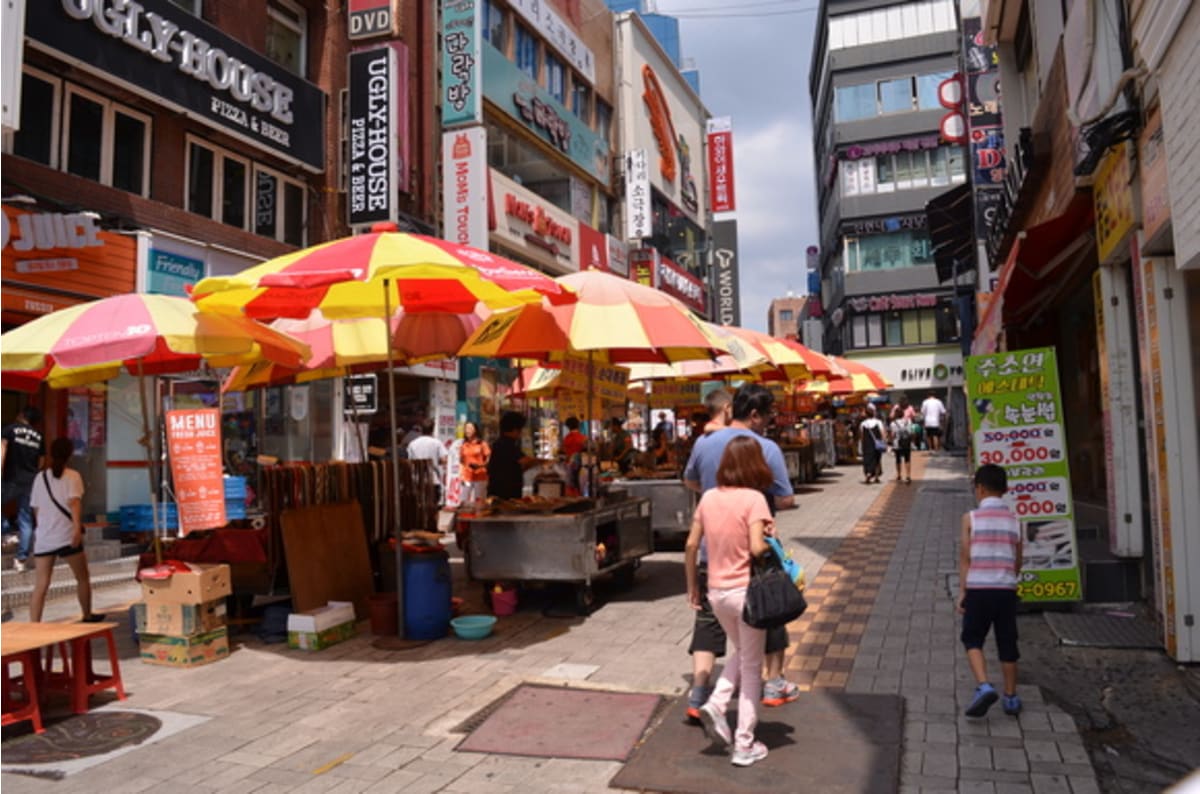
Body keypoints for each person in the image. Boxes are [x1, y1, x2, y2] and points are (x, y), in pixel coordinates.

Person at [683, 384, 798, 721]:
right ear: (754, 415)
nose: (770, 422)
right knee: (769, 610)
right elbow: (787, 498)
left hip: (710, 549)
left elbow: (689, 481)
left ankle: (699, 691)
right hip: (753, 553)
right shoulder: (766, 447)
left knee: (707, 621)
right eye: (769, 416)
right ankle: (773, 683)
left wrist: (713, 495)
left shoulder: (703, 443)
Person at [685, 436, 775, 767]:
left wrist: (692, 586)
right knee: (752, 668)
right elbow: (756, 549)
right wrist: (769, 539)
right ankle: (744, 743)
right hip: (746, 593)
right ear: (755, 465)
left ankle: (716, 703)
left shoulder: (708, 497)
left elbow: (692, 545)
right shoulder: (755, 499)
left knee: (743, 653)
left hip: (717, 591)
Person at [958, 463, 1023, 718]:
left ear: (980, 489)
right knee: (1007, 641)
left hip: (978, 588)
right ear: (1005, 489)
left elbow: (965, 558)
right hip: (1006, 589)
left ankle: (984, 685)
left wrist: (963, 592)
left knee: (972, 638)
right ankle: (1011, 697)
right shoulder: (1016, 521)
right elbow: (1019, 560)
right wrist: (1008, 579)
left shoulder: (970, 519)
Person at [29, 437, 102, 622]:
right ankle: (86, 614)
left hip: (45, 537)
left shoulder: (39, 477)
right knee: (82, 577)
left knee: (41, 584)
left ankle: (34, 624)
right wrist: (77, 530)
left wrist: (43, 529)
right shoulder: (73, 476)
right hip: (67, 535)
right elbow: (74, 504)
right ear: (70, 454)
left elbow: (36, 509)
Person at [2, 406, 45, 572]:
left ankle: (5, 532)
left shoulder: (10, 429)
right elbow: (42, 461)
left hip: (11, 478)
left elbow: (2, 449)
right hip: (30, 481)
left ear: (21, 415)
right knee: (26, 520)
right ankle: (21, 560)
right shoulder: (39, 436)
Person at [487, 411, 540, 500]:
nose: (521, 433)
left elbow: (517, 464)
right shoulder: (507, 444)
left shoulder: (501, 443)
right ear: (515, 429)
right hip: (504, 492)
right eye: (520, 429)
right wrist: (542, 461)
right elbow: (524, 460)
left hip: (502, 490)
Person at [406, 419, 448, 503]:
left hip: (417, 479)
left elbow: (410, 461)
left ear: (421, 429)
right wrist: (436, 461)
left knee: (419, 504)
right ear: (433, 429)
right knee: (433, 505)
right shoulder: (437, 443)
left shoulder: (412, 444)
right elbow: (444, 460)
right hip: (433, 479)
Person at [458, 421, 490, 506]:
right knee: (463, 499)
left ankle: (478, 517)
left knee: (479, 500)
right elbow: (461, 461)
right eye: (466, 428)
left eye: (470, 428)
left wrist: (480, 466)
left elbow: (489, 459)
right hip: (466, 477)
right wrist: (461, 473)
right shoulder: (463, 445)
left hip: (480, 476)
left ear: (475, 430)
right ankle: (464, 516)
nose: (467, 430)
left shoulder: (482, 444)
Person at [858, 404, 886, 484]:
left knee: (867, 459)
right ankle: (876, 477)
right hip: (877, 443)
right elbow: (882, 432)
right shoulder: (878, 422)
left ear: (866, 414)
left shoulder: (863, 424)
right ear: (874, 413)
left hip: (867, 444)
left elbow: (862, 435)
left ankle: (868, 473)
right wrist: (884, 441)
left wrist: (862, 444)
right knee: (877, 459)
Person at [561, 417, 588, 493]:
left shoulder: (566, 438)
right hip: (581, 467)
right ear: (578, 425)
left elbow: (563, 451)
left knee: (571, 488)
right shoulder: (583, 438)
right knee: (581, 487)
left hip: (569, 467)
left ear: (568, 427)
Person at [889, 404, 914, 484]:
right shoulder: (908, 421)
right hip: (906, 443)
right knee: (907, 459)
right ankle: (908, 475)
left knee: (898, 459)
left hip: (897, 443)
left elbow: (892, 435)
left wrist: (891, 442)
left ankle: (899, 475)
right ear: (903, 414)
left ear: (896, 415)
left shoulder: (893, 423)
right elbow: (911, 432)